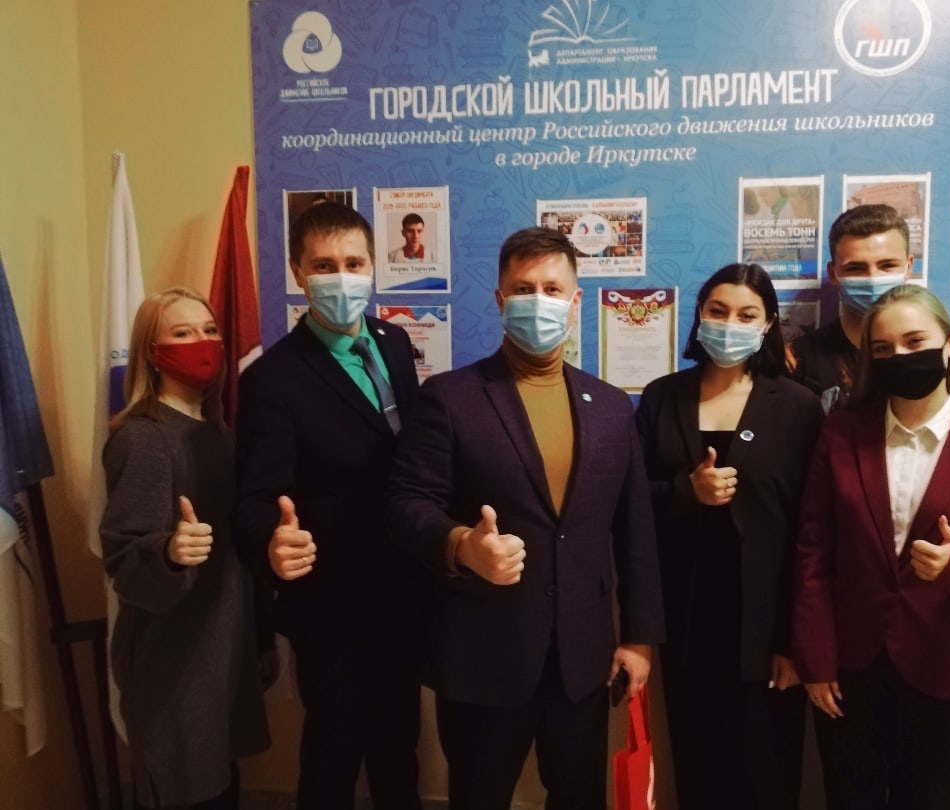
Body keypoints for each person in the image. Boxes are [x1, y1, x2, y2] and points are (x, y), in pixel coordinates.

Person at [384, 226, 665, 809]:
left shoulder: (612, 407)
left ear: (576, 300)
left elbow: (635, 530)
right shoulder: (451, 398)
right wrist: (461, 545)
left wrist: (639, 638)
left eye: (552, 289)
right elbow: (405, 503)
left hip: (582, 661)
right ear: (500, 299)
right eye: (523, 288)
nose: (538, 300)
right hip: (483, 656)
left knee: (579, 798)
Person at [791, 284, 950, 810]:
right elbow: (813, 554)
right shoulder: (841, 434)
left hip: (948, 673)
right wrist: (816, 660)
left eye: (915, 341)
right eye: (884, 348)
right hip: (852, 672)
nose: (900, 356)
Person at [234, 202, 426, 810]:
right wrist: (270, 541)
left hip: (403, 590)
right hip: (333, 606)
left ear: (372, 267)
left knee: (400, 750)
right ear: (298, 272)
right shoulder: (273, 378)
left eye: (353, 263)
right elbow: (254, 497)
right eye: (323, 265)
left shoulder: (395, 341)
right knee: (332, 759)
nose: (341, 277)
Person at [636, 263, 823, 809]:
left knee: (766, 775)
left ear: (768, 325)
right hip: (686, 624)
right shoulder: (662, 397)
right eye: (718, 311)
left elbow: (812, 531)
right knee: (699, 769)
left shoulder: (798, 406)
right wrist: (685, 490)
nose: (729, 324)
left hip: (766, 631)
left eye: (747, 315)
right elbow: (630, 501)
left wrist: (793, 641)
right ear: (699, 316)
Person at [100, 287, 269, 809]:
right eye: (182, 332)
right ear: (153, 353)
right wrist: (168, 553)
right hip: (174, 662)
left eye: (209, 329)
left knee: (221, 783)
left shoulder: (215, 430)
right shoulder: (144, 436)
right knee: (187, 790)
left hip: (219, 649)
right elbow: (124, 560)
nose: (202, 341)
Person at [791, 204, 950, 424]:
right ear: (833, 273)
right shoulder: (799, 360)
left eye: (887, 265)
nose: (873, 279)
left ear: (909, 266)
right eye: (855, 268)